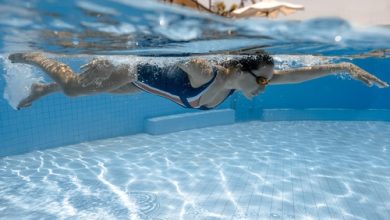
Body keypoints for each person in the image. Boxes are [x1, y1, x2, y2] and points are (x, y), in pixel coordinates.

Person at [8, 52, 389, 110]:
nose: (266, 86)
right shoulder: (207, 73)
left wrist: (344, 66)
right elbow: (175, 55)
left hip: (147, 86)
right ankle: (37, 57)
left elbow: (301, 73)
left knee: (83, 90)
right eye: (263, 80)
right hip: (134, 72)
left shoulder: (248, 80)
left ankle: (43, 87)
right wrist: (109, 59)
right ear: (240, 71)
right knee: (77, 89)